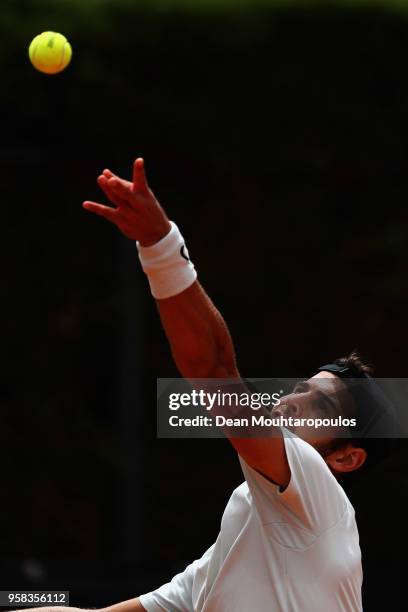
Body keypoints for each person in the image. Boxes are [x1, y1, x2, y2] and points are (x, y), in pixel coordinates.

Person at [14, 158, 392, 612]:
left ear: (346, 457)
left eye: (321, 403)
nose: (292, 400)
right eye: (299, 387)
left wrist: (160, 245)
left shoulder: (319, 492)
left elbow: (214, 370)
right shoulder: (245, 539)